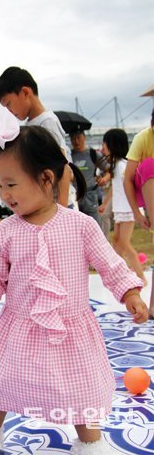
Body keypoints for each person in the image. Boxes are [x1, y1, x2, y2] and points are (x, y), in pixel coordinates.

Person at [0, 124, 148, 455]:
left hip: (69, 329)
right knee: (0, 381)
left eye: (12, 184)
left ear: (46, 178)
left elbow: (111, 266)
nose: (5, 194)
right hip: (20, 327)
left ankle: (90, 441)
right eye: (0, 185)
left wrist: (131, 293)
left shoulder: (81, 226)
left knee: (80, 388)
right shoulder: (5, 232)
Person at [0, 66, 72, 207]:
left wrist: (62, 209)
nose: (9, 111)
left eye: (8, 104)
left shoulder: (46, 122)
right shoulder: (31, 124)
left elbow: (63, 167)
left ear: (25, 92)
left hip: (56, 204)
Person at [99, 129, 146, 285]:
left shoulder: (123, 165)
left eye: (104, 143)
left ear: (112, 145)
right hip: (120, 209)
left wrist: (137, 209)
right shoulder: (116, 166)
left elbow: (132, 185)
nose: (102, 147)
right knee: (117, 241)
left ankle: (141, 277)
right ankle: (118, 275)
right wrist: (105, 203)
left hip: (128, 209)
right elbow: (116, 186)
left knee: (124, 242)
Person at [123, 108, 154, 318]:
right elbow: (127, 178)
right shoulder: (143, 138)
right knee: (150, 165)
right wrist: (136, 213)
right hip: (144, 184)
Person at [70, 130, 106, 225]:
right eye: (73, 139)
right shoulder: (69, 156)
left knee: (94, 224)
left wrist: (104, 179)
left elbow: (109, 169)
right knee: (76, 225)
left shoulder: (92, 154)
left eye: (78, 138)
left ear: (84, 137)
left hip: (90, 195)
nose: (76, 141)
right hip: (74, 196)